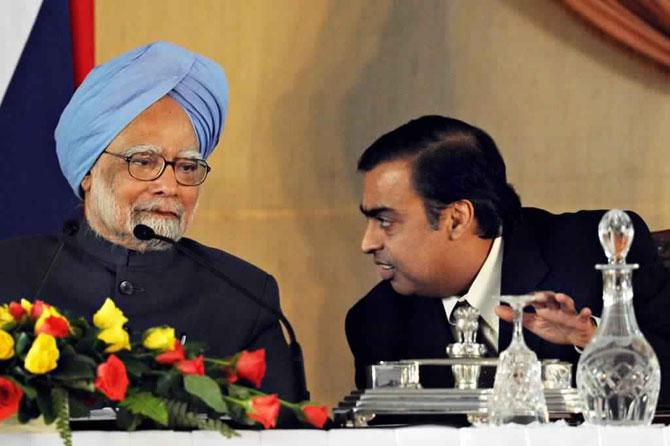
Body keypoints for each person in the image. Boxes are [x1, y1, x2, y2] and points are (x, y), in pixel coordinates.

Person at [0, 41, 304, 404]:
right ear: (89, 172)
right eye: (143, 162)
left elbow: (284, 430)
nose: (169, 186)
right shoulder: (10, 273)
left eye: (187, 166)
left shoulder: (244, 295)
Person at [345, 115, 670, 403]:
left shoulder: (597, 252)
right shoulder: (374, 322)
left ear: (457, 218)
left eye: (385, 221)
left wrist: (594, 341)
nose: (367, 243)